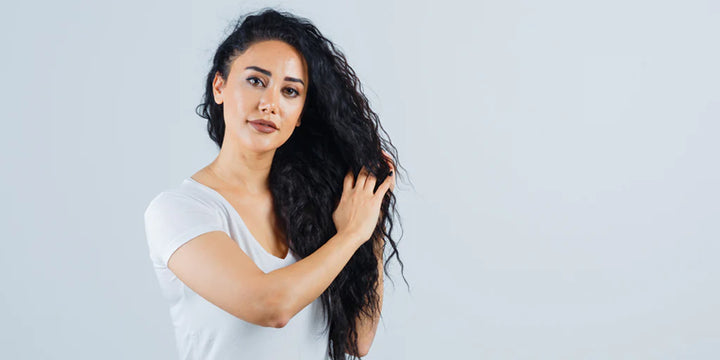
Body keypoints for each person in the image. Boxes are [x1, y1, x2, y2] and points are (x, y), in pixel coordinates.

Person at [143, 8, 406, 360]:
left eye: (290, 91)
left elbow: (357, 341)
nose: (270, 104)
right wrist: (351, 235)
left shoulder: (315, 206)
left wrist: (372, 215)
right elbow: (270, 306)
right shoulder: (179, 210)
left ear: (299, 116)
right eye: (255, 81)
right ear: (219, 86)